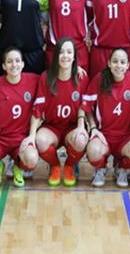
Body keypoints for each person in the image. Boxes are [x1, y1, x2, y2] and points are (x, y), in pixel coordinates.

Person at [0, 46, 40, 188]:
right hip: (0, 138)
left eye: (17, 61)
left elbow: (53, 77)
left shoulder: (34, 81)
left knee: (32, 160)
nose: (14, 65)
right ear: (4, 66)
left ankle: (18, 167)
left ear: (23, 64)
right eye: (9, 62)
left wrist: (75, 68)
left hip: (21, 139)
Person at [29, 37, 89, 187]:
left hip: (72, 127)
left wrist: (82, 126)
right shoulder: (46, 78)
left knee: (81, 139)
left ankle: (69, 165)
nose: (65, 56)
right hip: (52, 127)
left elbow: (83, 105)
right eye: (61, 52)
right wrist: (31, 135)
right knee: (40, 140)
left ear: (74, 56)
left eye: (69, 52)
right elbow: (38, 109)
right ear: (56, 56)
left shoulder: (81, 77)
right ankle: (55, 165)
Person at [82, 48, 130, 188]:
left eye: (123, 62)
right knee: (93, 151)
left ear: (128, 65)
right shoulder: (100, 79)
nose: (119, 65)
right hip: (104, 136)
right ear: (109, 63)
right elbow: (86, 106)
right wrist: (93, 128)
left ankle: (122, 168)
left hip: (125, 138)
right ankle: (101, 169)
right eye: (115, 61)